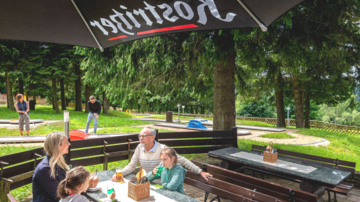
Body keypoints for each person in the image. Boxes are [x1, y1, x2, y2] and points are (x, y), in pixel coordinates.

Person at [111, 127, 212, 182]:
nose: (141, 138)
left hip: (160, 183)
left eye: (144, 136)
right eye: (140, 136)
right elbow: (131, 165)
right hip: (146, 181)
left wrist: (200, 172)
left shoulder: (163, 149)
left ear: (152, 138)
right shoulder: (139, 147)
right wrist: (120, 174)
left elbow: (182, 160)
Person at [32, 133, 71, 202]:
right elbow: (59, 196)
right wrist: (79, 190)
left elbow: (67, 185)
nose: (69, 144)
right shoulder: (45, 169)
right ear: (57, 146)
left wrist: (84, 185)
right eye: (66, 142)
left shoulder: (59, 162)